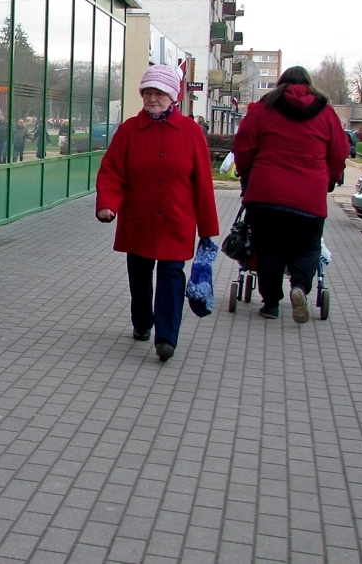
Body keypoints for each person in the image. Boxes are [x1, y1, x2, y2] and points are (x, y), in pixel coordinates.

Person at [96, 65, 219, 362]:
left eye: (159, 93)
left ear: (172, 96)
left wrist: (207, 228)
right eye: (147, 93)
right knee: (139, 276)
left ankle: (166, 337)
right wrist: (108, 203)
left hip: (177, 219)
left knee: (171, 275)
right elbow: (112, 171)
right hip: (139, 218)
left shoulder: (190, 132)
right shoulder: (129, 130)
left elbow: (202, 180)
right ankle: (142, 322)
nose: (152, 99)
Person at [232, 66, 348, 323]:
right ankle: (299, 288)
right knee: (307, 248)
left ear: (280, 84)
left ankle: (271, 303)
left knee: (268, 247)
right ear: (310, 84)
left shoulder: (263, 109)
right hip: (309, 196)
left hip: (266, 192)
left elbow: (243, 145)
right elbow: (339, 151)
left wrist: (247, 175)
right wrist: (330, 178)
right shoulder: (326, 113)